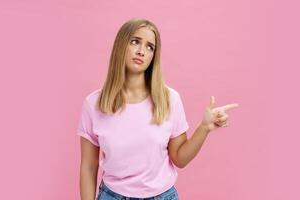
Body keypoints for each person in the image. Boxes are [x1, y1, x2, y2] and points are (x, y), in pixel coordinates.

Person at [78, 18, 239, 200]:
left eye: (150, 47)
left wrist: (204, 127)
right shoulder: (93, 104)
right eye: (135, 42)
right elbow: (89, 167)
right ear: (121, 45)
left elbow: (179, 158)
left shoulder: (170, 99)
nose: (142, 51)